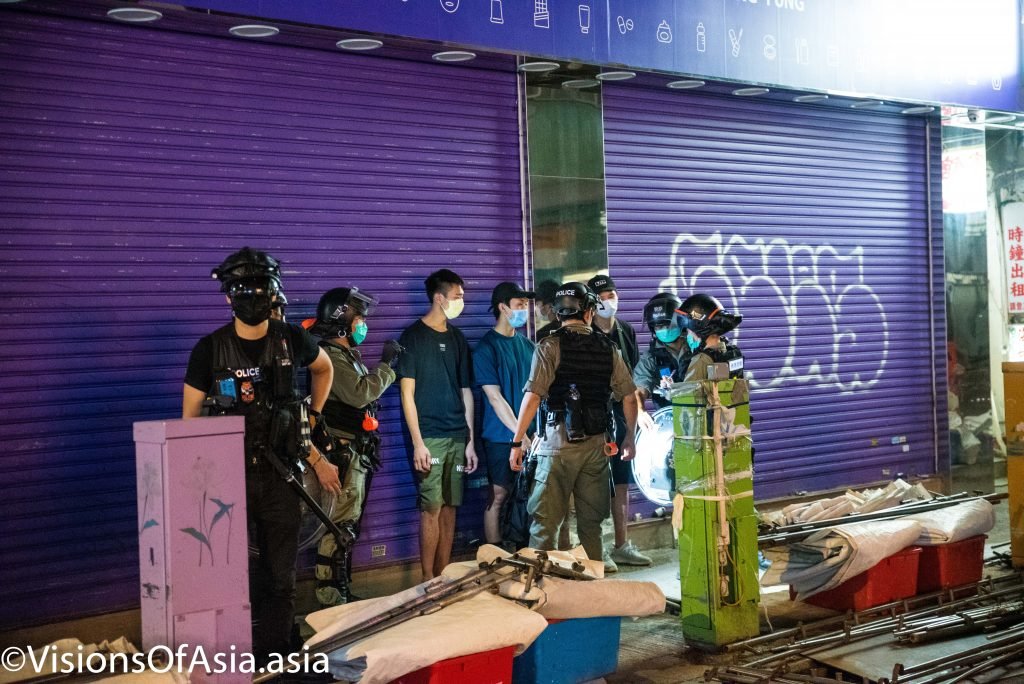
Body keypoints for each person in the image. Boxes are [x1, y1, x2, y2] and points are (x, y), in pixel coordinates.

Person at [181, 247, 338, 660]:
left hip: (282, 475)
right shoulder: (209, 350)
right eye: (242, 289)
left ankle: (274, 659)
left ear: (272, 293)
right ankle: (230, 656)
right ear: (228, 296)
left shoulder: (292, 339)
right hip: (225, 480)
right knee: (227, 575)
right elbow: (189, 422)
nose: (251, 297)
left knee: (280, 577)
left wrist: (314, 415)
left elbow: (324, 368)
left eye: (259, 288)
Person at [508, 282, 638, 565]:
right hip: (597, 447)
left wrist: (517, 442)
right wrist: (629, 438)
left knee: (545, 527)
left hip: (556, 446)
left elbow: (532, 398)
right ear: (590, 311)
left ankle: (542, 596)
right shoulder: (609, 347)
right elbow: (629, 398)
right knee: (592, 526)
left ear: (557, 314)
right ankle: (593, 598)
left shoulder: (549, 345)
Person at [306, 287, 404, 607]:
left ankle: (341, 590)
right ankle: (331, 598)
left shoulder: (346, 355)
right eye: (358, 318)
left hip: (355, 451)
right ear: (342, 321)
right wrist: (387, 365)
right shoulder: (331, 357)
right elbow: (361, 394)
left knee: (348, 526)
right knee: (338, 527)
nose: (363, 324)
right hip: (341, 453)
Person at [397, 269, 478, 579]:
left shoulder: (457, 339)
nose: (461, 302)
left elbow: (466, 391)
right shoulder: (413, 337)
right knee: (430, 507)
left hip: (457, 435)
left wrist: (470, 440)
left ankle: (444, 577)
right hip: (428, 437)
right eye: (457, 297)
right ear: (439, 297)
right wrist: (417, 442)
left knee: (450, 507)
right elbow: (407, 394)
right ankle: (427, 580)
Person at [586, 274, 649, 572]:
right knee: (597, 482)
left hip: (622, 412)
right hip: (595, 416)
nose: (609, 301)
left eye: (612, 294)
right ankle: (598, 549)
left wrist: (635, 423)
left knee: (622, 482)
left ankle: (622, 545)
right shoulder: (584, 332)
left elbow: (635, 380)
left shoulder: (625, 331)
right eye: (602, 297)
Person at [474, 281, 537, 549]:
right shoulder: (486, 348)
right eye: (519, 305)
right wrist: (517, 435)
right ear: (503, 307)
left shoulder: (529, 346)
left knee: (531, 495)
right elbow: (494, 398)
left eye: (526, 305)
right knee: (499, 494)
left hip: (532, 437)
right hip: (501, 437)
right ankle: (495, 554)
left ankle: (525, 550)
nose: (525, 310)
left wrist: (529, 435)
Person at [634, 293, 693, 431]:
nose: (664, 330)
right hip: (669, 426)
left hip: (701, 418)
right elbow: (638, 389)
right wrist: (640, 411)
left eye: (668, 324)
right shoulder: (651, 357)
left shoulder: (697, 347)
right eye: (658, 327)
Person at [677, 293, 744, 382]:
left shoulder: (702, 360)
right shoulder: (732, 353)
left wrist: (670, 391)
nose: (688, 336)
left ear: (698, 329)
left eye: (689, 331)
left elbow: (688, 395)